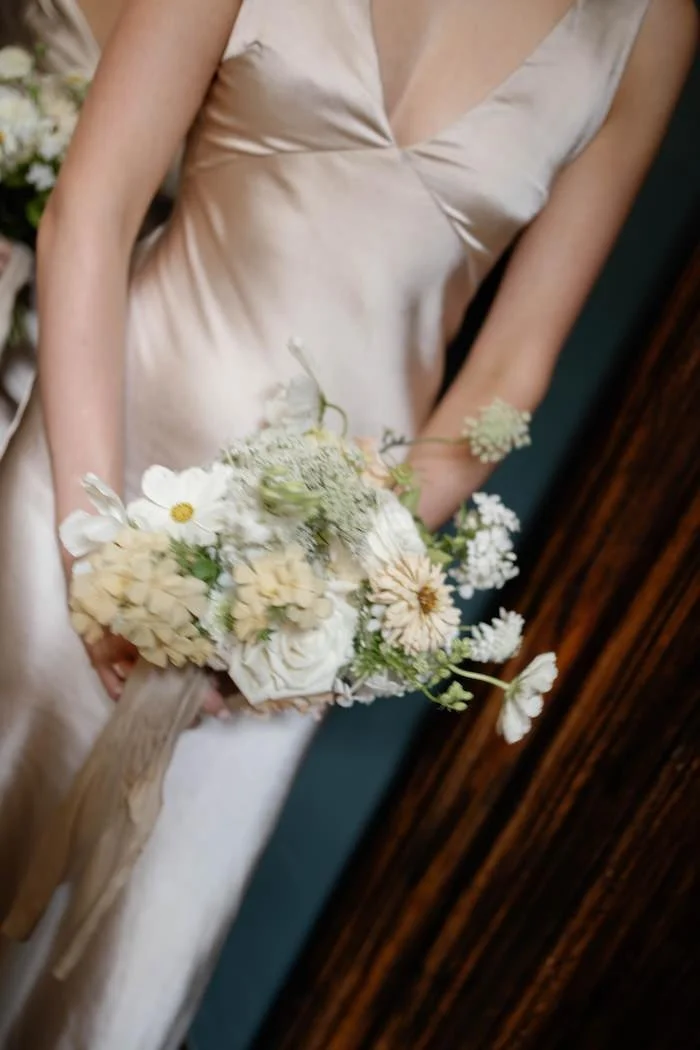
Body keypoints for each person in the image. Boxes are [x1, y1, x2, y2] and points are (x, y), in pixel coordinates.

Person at [0, 0, 695, 1046]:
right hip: (93, 461)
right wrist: (91, 544)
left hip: (298, 596)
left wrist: (321, 600)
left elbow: (510, 374)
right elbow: (92, 208)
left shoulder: (648, 25)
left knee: (119, 955)